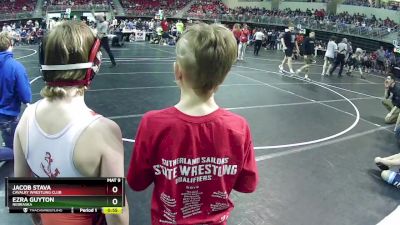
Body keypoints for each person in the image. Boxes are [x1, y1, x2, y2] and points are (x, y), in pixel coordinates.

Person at [127, 23, 258, 225]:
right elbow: (247, 185)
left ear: (177, 71)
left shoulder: (153, 123)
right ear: (223, 77)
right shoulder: (238, 127)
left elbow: (137, 182)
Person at [13, 21, 129, 225]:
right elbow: (116, 214)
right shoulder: (103, 130)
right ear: (94, 63)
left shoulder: (26, 118)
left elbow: (23, 188)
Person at [0, 32, 31, 161]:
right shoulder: (15, 67)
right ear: (10, 44)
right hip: (7, 115)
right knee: (16, 151)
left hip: (5, 115)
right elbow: (26, 96)